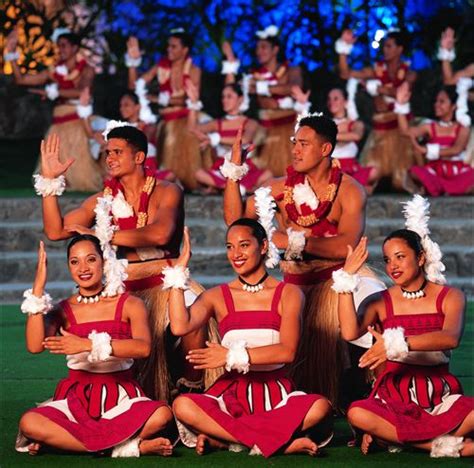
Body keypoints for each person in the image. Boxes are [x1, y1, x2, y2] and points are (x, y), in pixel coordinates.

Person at [33, 127, 213, 402]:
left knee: (192, 319)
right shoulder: (103, 200)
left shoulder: (167, 191)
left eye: (117, 152)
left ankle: (193, 391)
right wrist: (49, 184)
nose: (110, 158)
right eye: (107, 153)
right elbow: (56, 231)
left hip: (166, 280)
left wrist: (103, 235)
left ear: (139, 156)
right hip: (126, 286)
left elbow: (160, 233)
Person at [222, 114, 385, 407]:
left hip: (339, 280)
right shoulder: (278, 188)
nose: (296, 149)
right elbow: (237, 223)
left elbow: (346, 245)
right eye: (295, 142)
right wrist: (234, 172)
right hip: (295, 283)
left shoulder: (349, 190)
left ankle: (379, 395)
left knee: (378, 308)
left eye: (304, 144)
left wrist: (296, 240)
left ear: (325, 149)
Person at [167, 219, 332, 457]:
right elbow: (180, 326)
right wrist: (178, 272)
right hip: (230, 393)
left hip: (276, 393)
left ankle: (228, 440)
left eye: (244, 245)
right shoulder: (216, 296)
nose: (236, 254)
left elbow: (287, 351)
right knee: (182, 405)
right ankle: (277, 442)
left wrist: (230, 356)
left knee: (320, 407)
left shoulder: (289, 293)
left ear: (263, 246)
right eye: (229, 247)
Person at [335, 196, 473, 457]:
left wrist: (393, 344)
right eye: (388, 260)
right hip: (393, 396)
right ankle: (440, 446)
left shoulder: (451, 296)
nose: (392, 266)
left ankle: (390, 438)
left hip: (440, 394)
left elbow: (450, 338)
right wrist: (346, 279)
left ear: (420, 258)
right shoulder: (381, 301)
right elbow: (350, 332)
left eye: (400, 257)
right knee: (357, 412)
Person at [16, 236, 174, 458]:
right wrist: (38, 288)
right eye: (74, 262)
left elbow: (143, 348)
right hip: (75, 398)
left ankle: (65, 443)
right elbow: (34, 346)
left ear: (104, 261)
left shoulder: (130, 304)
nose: (83, 268)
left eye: (91, 259)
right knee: (29, 422)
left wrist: (87, 344)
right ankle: (125, 448)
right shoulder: (62, 310)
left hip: (122, 395)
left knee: (162, 415)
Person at [4, 29, 103, 192]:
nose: (60, 49)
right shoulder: (54, 70)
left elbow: (81, 91)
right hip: (58, 121)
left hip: (78, 119)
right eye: (59, 46)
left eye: (64, 46)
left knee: (80, 165)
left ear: (75, 48)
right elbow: (21, 80)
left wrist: (53, 92)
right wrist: (12, 55)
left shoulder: (87, 69)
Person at [337, 29, 421, 191]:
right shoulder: (375, 70)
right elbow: (346, 74)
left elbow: (400, 92)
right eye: (384, 46)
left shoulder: (409, 72)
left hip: (399, 129)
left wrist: (379, 88)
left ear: (400, 49)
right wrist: (344, 51)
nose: (385, 49)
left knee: (400, 180)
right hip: (380, 130)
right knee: (369, 176)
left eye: (389, 46)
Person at [222, 26, 306, 176]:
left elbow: (293, 87)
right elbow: (231, 89)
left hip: (288, 129)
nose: (259, 51)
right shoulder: (253, 75)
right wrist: (230, 61)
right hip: (264, 131)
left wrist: (262, 87)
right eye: (257, 48)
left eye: (264, 47)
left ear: (275, 50)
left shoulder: (291, 70)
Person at [126, 29, 204, 190]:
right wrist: (133, 64)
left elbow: (190, 99)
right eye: (168, 46)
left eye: (174, 47)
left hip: (185, 123)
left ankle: (187, 183)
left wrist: (159, 99)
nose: (169, 49)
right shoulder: (160, 66)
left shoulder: (194, 70)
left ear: (185, 50)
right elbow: (135, 86)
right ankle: (172, 185)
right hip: (166, 123)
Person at [187, 82, 272, 194]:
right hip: (222, 168)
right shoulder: (217, 123)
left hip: (244, 167)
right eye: (223, 97)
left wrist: (215, 139)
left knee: (268, 174)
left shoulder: (250, 122)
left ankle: (231, 188)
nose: (224, 100)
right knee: (198, 174)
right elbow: (192, 129)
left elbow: (245, 140)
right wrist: (193, 104)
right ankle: (231, 187)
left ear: (240, 99)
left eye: (229, 96)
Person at [395, 83, 473, 196]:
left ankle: (440, 188)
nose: (436, 104)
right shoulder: (430, 127)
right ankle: (443, 188)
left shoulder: (463, 127)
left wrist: (428, 151)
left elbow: (456, 149)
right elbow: (405, 131)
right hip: (435, 171)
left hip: (457, 171)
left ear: (454, 106)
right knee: (414, 172)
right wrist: (401, 105)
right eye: (436, 101)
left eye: (442, 101)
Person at [82, 89, 177, 182]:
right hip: (128, 172)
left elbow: (142, 139)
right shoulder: (119, 128)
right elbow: (91, 134)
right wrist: (84, 110)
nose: (122, 108)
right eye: (121, 105)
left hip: (147, 171)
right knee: (108, 179)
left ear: (138, 107)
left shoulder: (149, 126)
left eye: (126, 105)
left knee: (170, 176)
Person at [327, 86, 379, 193]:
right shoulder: (324, 123)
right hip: (331, 168)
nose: (331, 102)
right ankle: (356, 189)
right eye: (329, 99)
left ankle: (350, 188)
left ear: (346, 102)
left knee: (374, 171)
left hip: (351, 169)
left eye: (336, 98)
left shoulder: (356, 124)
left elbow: (356, 136)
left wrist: (327, 135)